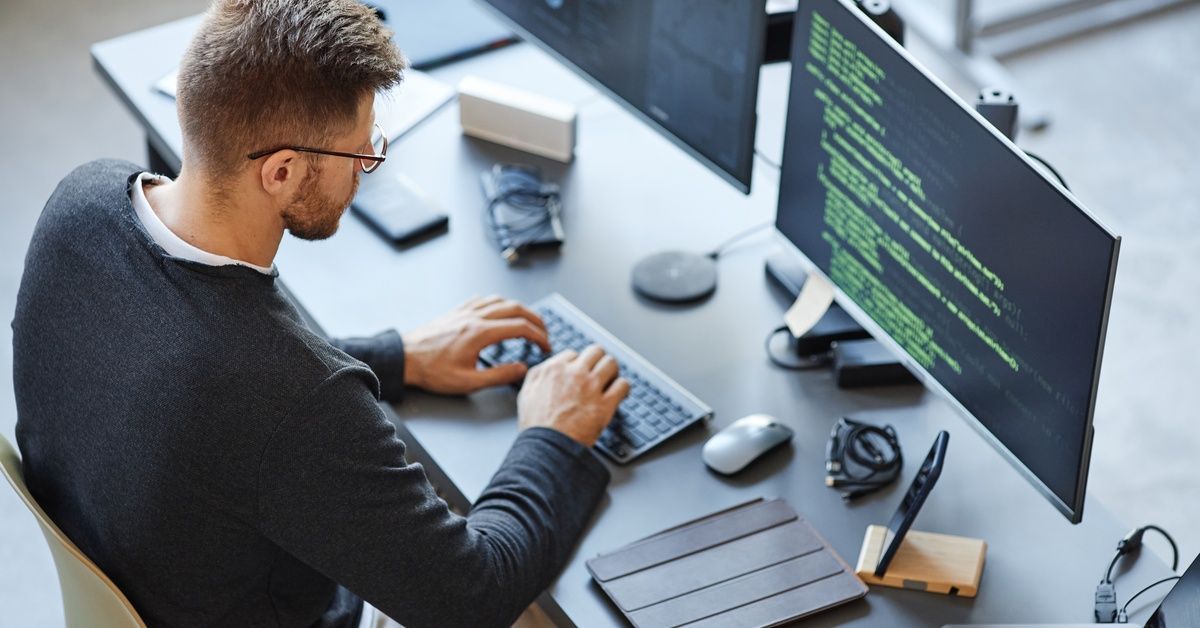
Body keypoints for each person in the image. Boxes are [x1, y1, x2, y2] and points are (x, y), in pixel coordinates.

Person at [11, 1, 628, 626]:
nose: (367, 166)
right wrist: (553, 435)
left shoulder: (81, 203)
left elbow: (192, 368)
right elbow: (472, 596)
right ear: (281, 172)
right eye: (360, 153)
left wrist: (397, 357)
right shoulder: (293, 401)